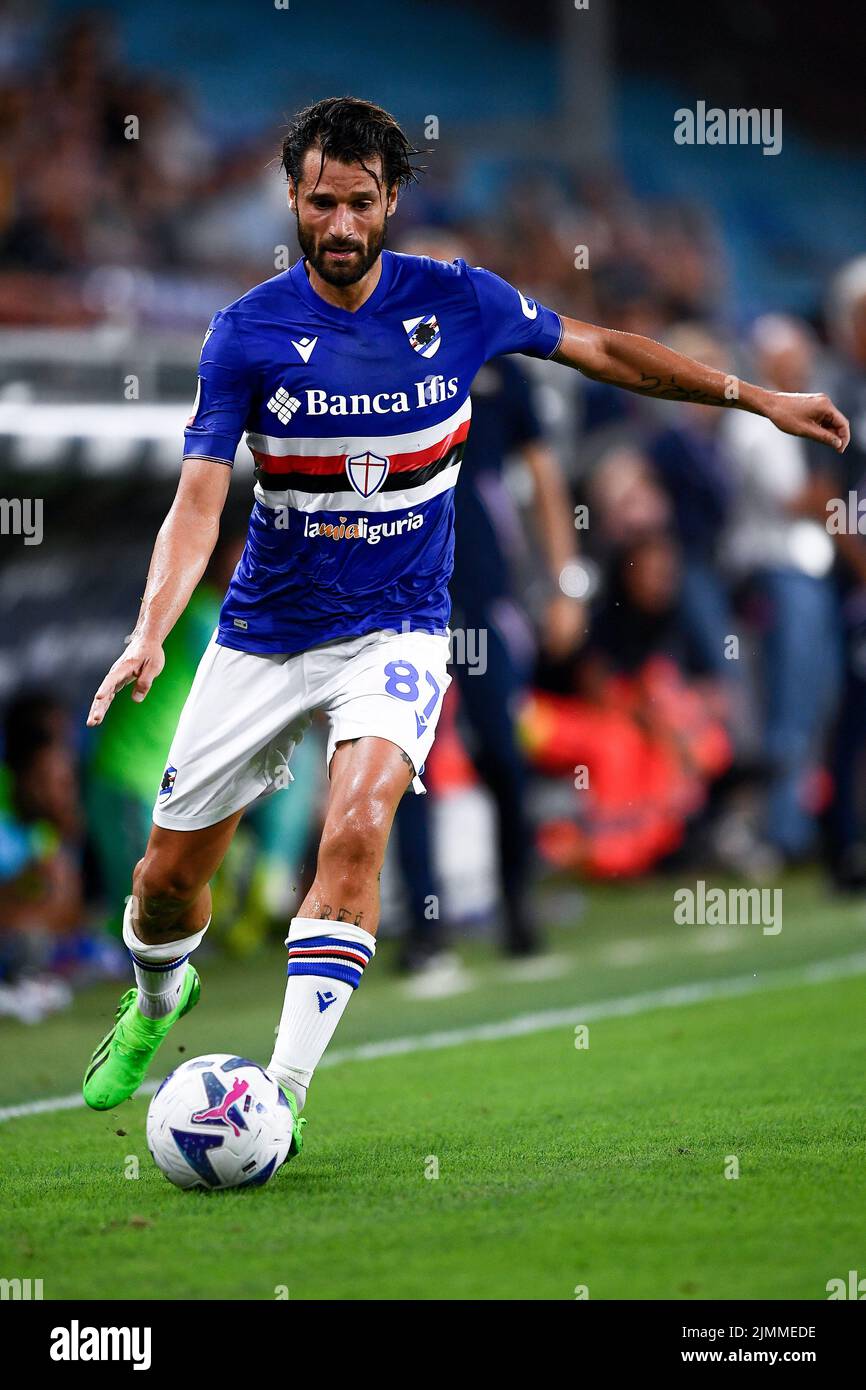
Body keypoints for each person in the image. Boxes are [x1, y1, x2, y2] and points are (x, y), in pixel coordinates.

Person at [80, 97, 850, 1157]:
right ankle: (158, 1000)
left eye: (358, 202)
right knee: (166, 886)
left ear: (390, 200)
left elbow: (608, 351)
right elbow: (199, 499)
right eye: (318, 203)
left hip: (397, 628)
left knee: (356, 824)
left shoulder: (459, 301)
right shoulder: (246, 332)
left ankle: (284, 1093)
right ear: (292, 202)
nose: (339, 225)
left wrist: (754, 394)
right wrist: (153, 627)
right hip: (264, 633)